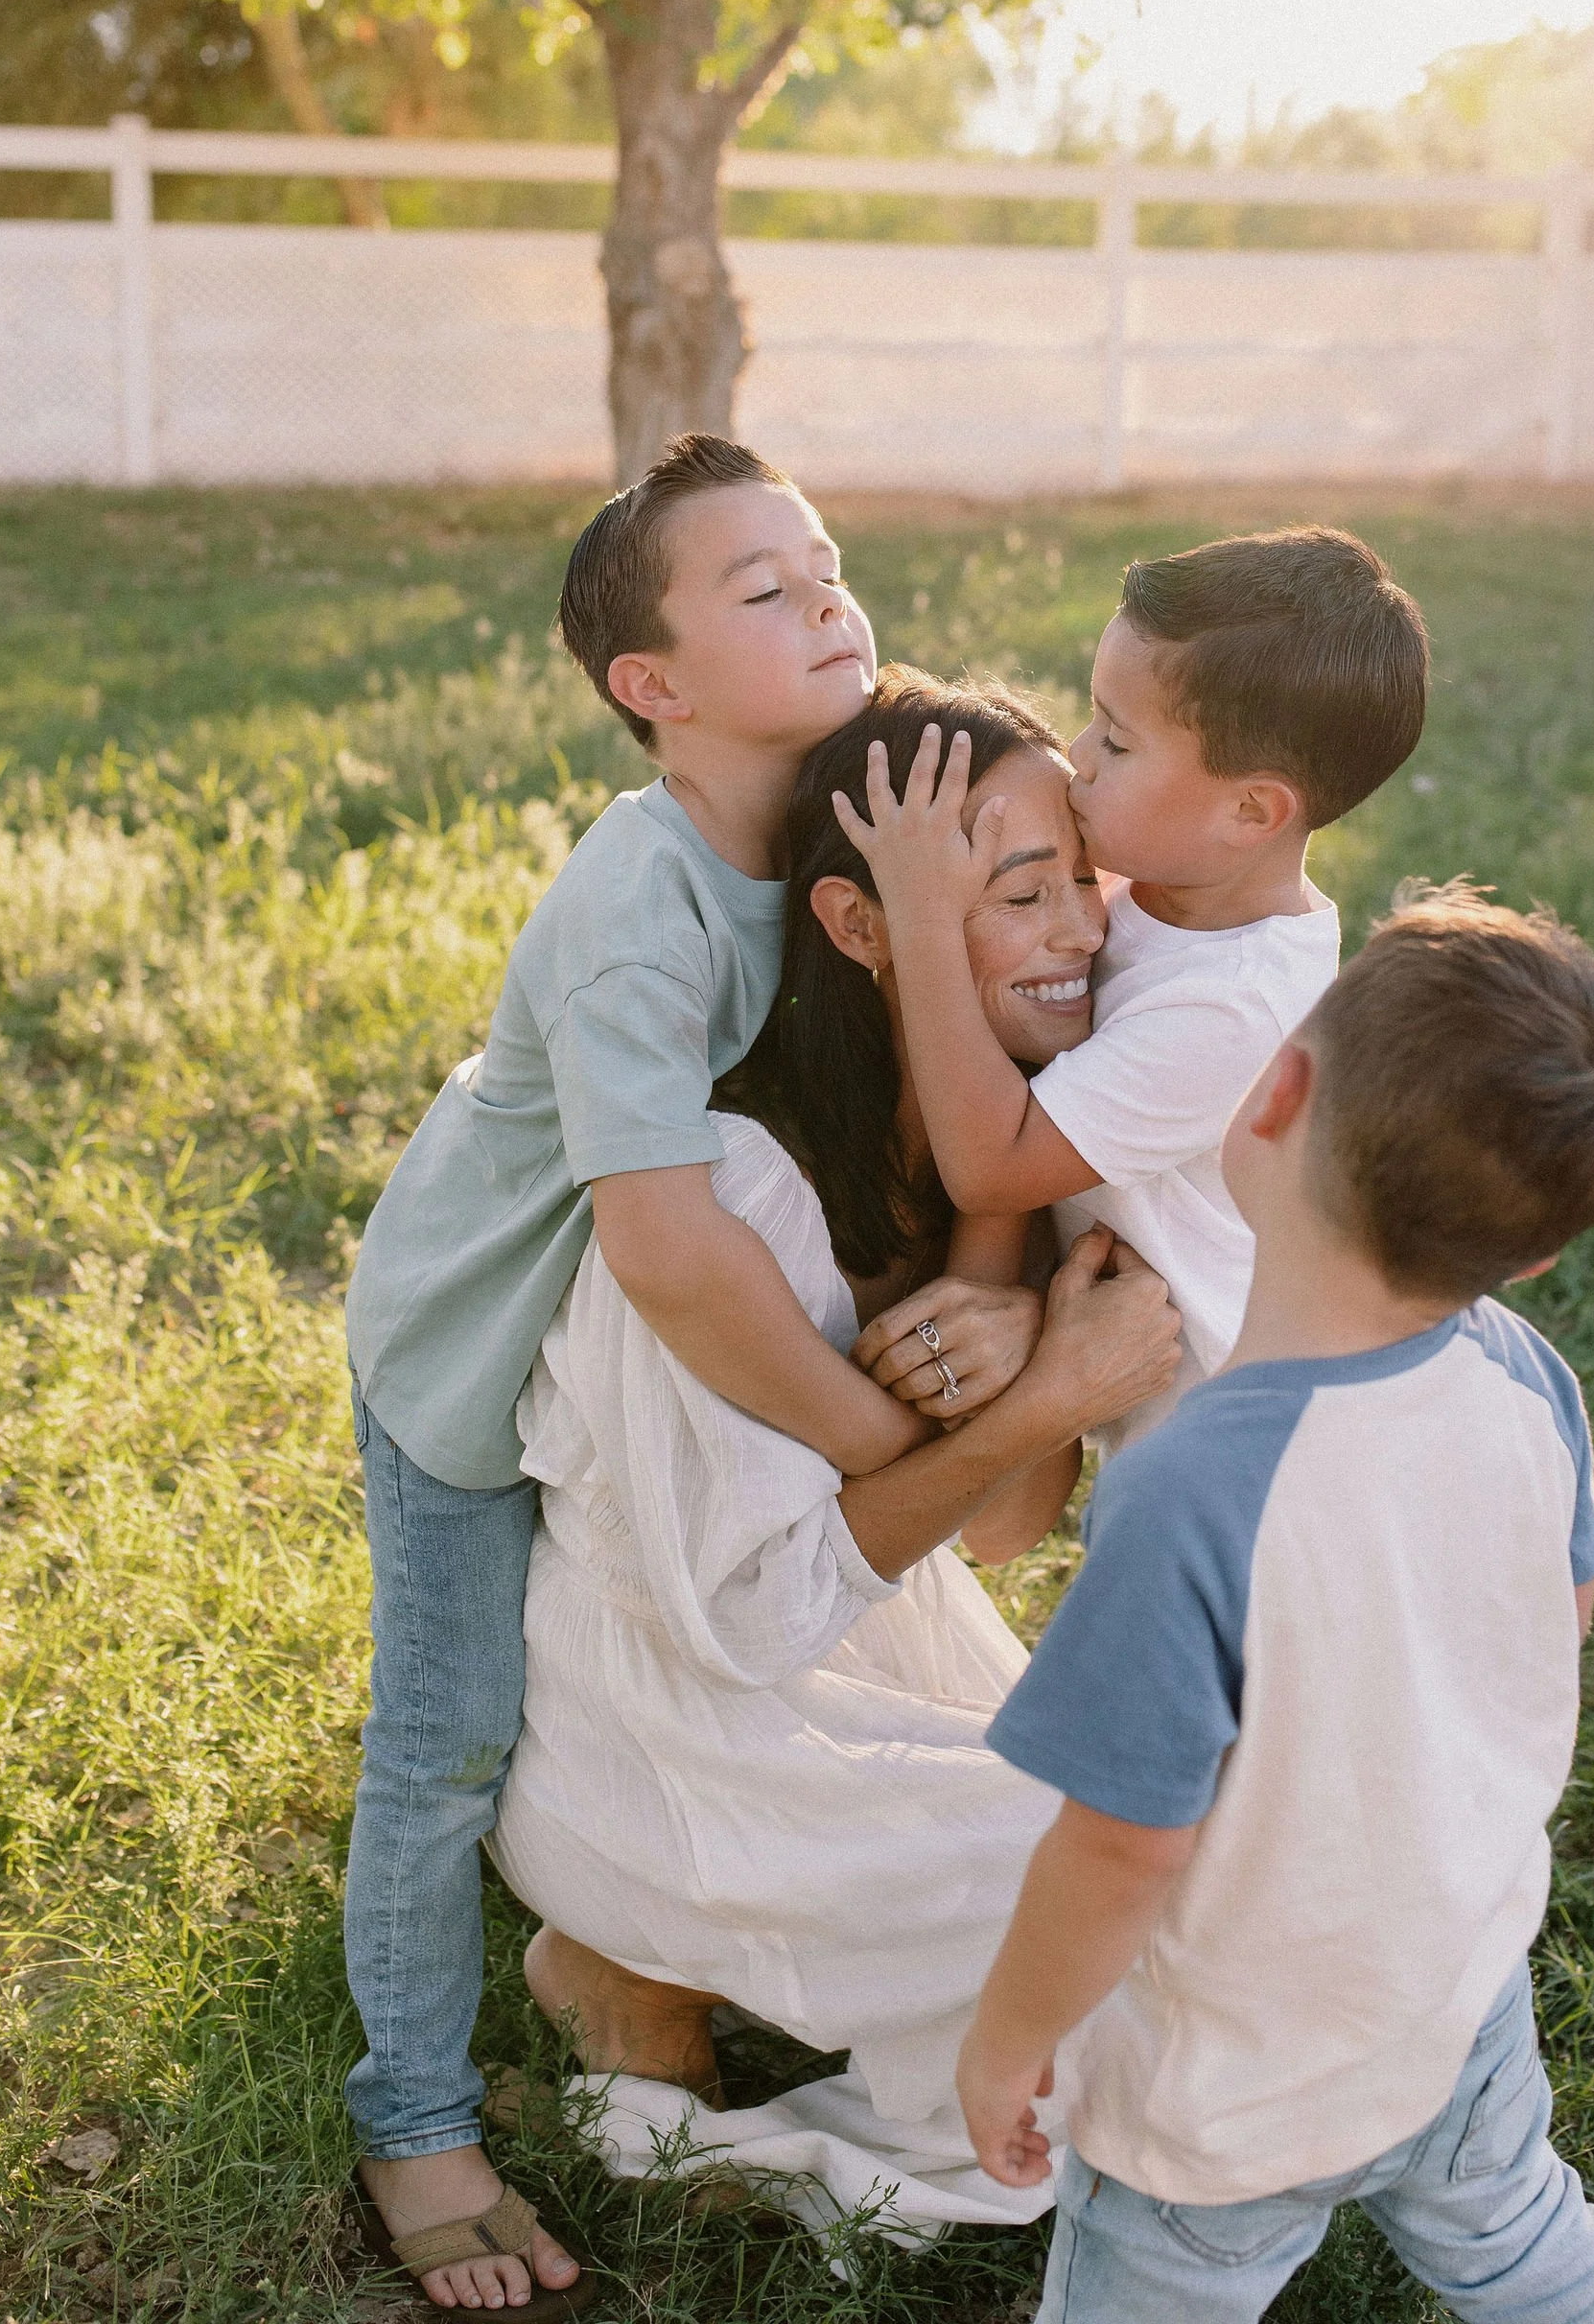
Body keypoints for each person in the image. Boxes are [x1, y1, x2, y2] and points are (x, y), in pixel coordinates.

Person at [341, 443, 1040, 2312]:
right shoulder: (636, 907)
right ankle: (414, 2121)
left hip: (635, 1361)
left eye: (825, 562)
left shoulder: (828, 824)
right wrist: (872, 1440)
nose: (827, 595)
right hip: (464, 1369)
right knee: (441, 1736)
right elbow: (662, 1245)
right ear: (648, 689)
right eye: (762, 588)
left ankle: (639, 1924)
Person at [487, 673, 1183, 2242]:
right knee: (1121, 1906)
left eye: (1079, 877)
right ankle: (616, 1947)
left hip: (868, 1648)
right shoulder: (730, 1182)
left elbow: (998, 1533)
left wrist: (997, 1249)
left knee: (1168, 1884)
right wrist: (1029, 1398)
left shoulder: (1020, 1149)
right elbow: (746, 1618)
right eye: (1018, 892)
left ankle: (751, 1958)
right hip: (665, 1715)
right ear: (863, 929)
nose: (1082, 929)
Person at [955, 884, 1594, 2323]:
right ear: (1534, 1253)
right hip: (1455, 1995)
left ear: (1271, 1089)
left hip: (1229, 2090)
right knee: (1527, 2240)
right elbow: (1560, 1615)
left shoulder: (1185, 1491)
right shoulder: (1524, 1374)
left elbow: (1118, 1851)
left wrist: (1003, 2041)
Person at [836, 528, 1429, 1448]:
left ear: (1251, 812)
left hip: (1235, 1442)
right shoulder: (1156, 895)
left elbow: (992, 1164)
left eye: (1115, 739)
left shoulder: (1232, 1006)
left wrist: (920, 918)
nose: (1077, 757)